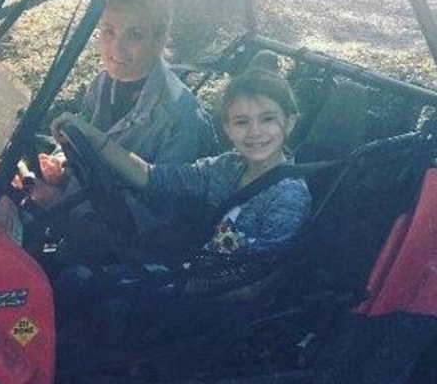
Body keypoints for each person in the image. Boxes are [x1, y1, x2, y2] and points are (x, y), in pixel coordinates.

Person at [51, 63, 312, 354]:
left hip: (219, 307)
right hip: (190, 272)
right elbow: (151, 176)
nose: (255, 132)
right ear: (227, 128)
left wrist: (175, 282)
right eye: (242, 122)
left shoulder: (288, 196)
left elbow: (254, 285)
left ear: (289, 123)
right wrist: (92, 135)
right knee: (76, 277)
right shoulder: (228, 166)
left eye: (267, 119)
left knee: (103, 294)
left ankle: (106, 363)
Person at [27, 0, 214, 238]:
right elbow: (82, 134)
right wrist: (59, 162)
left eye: (134, 35)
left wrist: (61, 206)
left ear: (159, 39)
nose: (116, 49)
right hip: (80, 208)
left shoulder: (179, 120)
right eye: (108, 31)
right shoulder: (102, 83)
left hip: (126, 244)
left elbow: (157, 216)